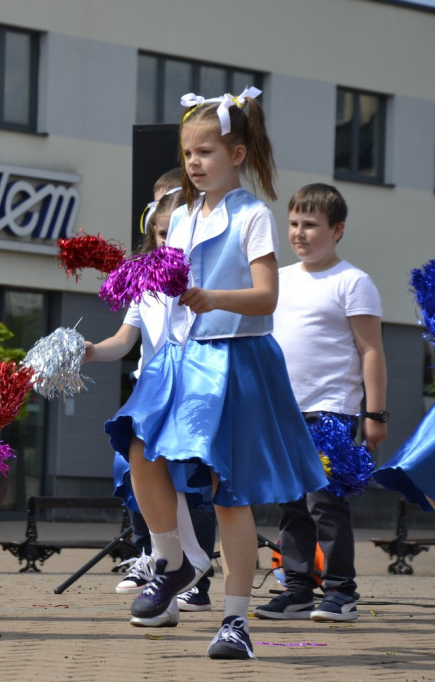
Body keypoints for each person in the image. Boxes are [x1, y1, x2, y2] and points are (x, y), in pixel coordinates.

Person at [104, 87, 328, 660]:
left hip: (235, 360)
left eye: (206, 152)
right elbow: (166, 289)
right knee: (138, 449)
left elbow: (266, 298)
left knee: (231, 495)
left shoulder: (253, 215)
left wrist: (211, 297)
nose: (195, 163)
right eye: (189, 153)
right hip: (181, 360)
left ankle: (234, 621)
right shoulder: (178, 217)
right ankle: (172, 561)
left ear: (238, 154)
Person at [254, 183, 386, 623]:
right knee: (291, 503)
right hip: (281, 410)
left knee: (324, 502)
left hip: (331, 410)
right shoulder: (280, 279)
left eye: (310, 225)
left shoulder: (353, 281)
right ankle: (296, 589)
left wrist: (374, 415)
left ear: (337, 229)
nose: (299, 233)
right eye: (293, 223)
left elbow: (371, 351)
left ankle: (341, 592)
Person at [85, 187, 217, 627]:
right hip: (151, 393)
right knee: (139, 473)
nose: (167, 243)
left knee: (177, 481)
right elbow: (123, 342)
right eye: (160, 234)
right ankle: (171, 583)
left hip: (191, 390)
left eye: (174, 234)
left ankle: (191, 565)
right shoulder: (143, 288)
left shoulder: (205, 280)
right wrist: (90, 350)